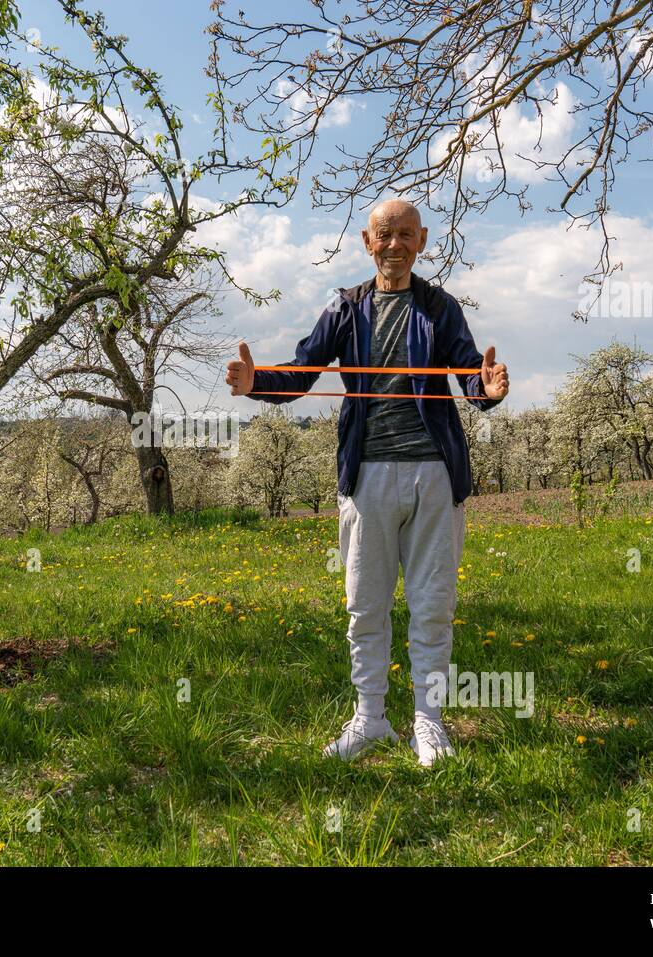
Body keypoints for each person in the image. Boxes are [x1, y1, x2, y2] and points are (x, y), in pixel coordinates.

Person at [225, 199, 509, 765]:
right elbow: (304, 370)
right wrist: (258, 381)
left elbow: (470, 372)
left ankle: (429, 723)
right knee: (365, 605)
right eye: (385, 234)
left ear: (422, 241)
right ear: (367, 241)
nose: (395, 245)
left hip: (434, 474)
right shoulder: (345, 306)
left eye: (406, 235)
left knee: (432, 604)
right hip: (367, 476)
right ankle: (370, 719)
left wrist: (489, 389)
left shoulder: (439, 306)